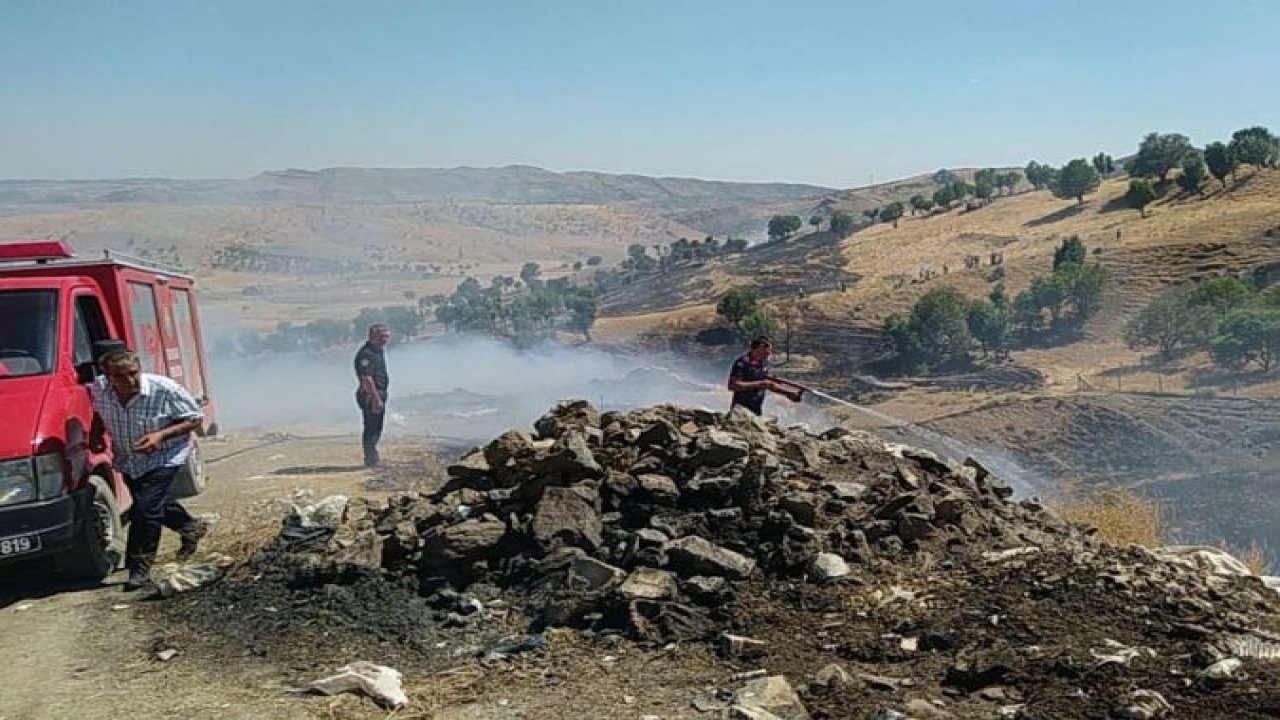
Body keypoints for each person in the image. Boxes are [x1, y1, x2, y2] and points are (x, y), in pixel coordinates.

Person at [90, 349, 207, 591]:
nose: (129, 381)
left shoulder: (164, 389)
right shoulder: (99, 389)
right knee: (152, 503)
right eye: (120, 376)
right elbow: (99, 411)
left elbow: (195, 418)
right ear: (108, 376)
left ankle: (139, 568)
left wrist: (160, 435)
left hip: (165, 456)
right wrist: (96, 434)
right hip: (129, 459)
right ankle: (190, 527)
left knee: (144, 511)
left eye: (133, 373)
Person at [727, 336, 802, 416]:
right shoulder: (742, 363)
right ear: (758, 348)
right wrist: (760, 384)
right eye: (767, 349)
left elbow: (768, 384)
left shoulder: (764, 363)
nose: (769, 353)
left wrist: (788, 394)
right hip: (740, 410)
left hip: (756, 409)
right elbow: (733, 385)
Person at [354, 323, 391, 467]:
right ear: (372, 336)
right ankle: (371, 459)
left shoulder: (378, 352)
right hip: (370, 394)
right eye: (381, 336)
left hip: (379, 393)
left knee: (377, 427)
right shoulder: (366, 354)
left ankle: (373, 457)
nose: (385, 339)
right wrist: (375, 398)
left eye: (386, 336)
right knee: (371, 427)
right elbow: (367, 379)